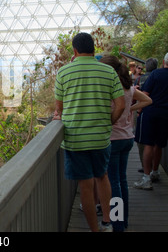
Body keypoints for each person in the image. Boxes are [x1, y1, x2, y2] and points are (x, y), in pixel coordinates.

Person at [53, 32, 125, 232]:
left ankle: (95, 229)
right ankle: (107, 223)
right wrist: (108, 122)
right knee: (103, 177)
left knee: (85, 185)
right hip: (101, 138)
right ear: (93, 48)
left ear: (75, 50)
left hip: (76, 140)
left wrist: (60, 114)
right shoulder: (108, 72)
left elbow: (58, 109)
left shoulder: (64, 73)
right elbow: (120, 105)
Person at [99, 55, 152, 232]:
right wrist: (130, 108)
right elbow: (147, 100)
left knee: (114, 182)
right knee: (121, 180)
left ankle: (117, 224)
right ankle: (123, 220)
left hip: (113, 139)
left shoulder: (110, 89)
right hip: (127, 138)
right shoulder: (128, 88)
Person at [134, 51, 168, 190]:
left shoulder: (155, 74)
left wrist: (139, 111)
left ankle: (146, 178)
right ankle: (155, 172)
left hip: (150, 112)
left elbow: (145, 94)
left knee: (148, 144)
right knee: (159, 144)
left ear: (164, 62)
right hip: (166, 114)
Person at [133, 57, 158, 172]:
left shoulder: (140, 79)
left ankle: (145, 166)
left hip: (142, 112)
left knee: (143, 142)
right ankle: (154, 168)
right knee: (156, 142)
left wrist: (137, 110)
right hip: (159, 111)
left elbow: (134, 97)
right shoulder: (159, 77)